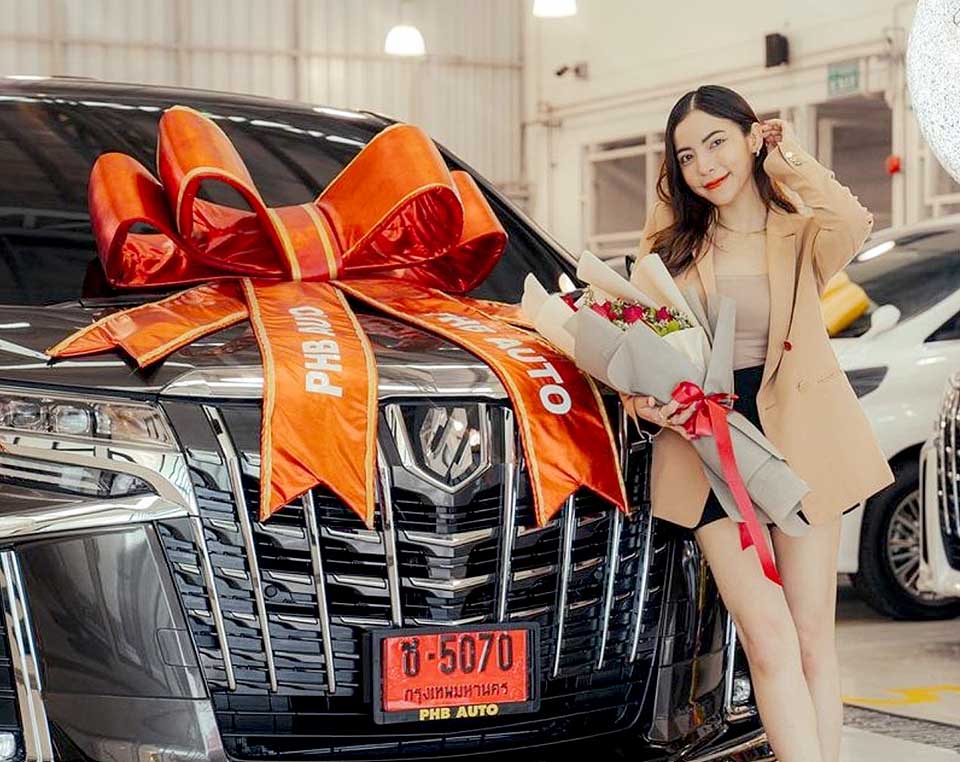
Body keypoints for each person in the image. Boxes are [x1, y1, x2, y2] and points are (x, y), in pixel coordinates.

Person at [622, 85, 894, 762]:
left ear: (752, 137)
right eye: (687, 155)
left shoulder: (800, 230)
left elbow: (853, 219)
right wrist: (639, 399)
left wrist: (788, 154)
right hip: (702, 439)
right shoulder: (670, 241)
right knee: (767, 638)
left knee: (811, 638)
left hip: (798, 436)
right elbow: (632, 337)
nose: (704, 165)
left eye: (717, 142)